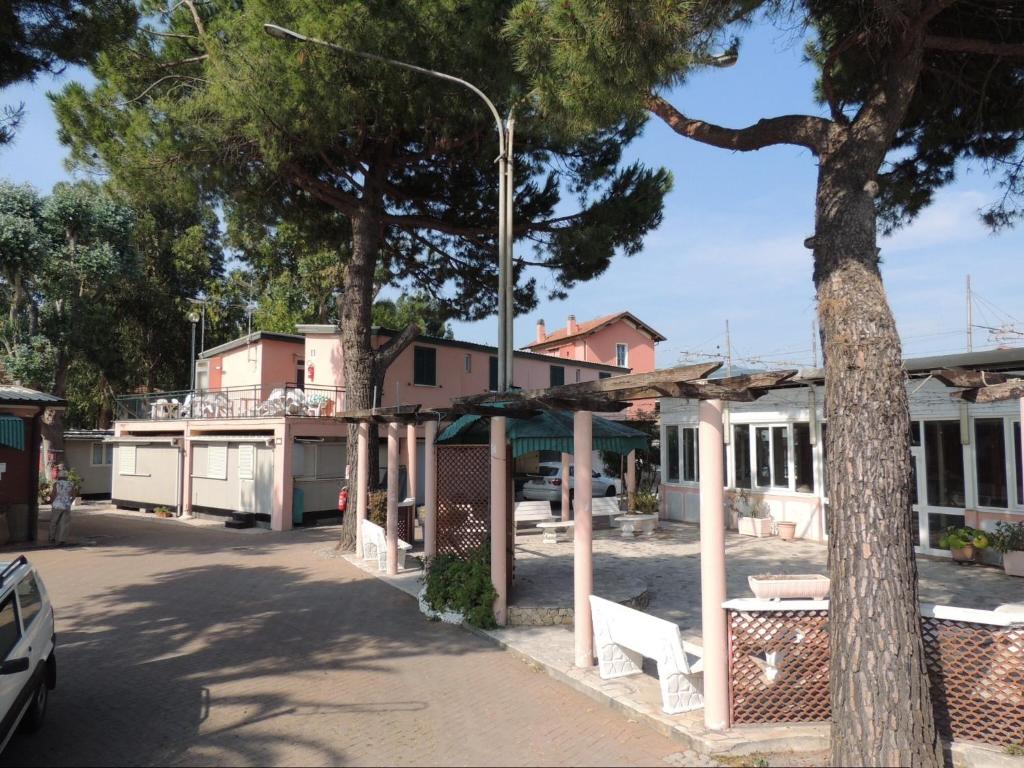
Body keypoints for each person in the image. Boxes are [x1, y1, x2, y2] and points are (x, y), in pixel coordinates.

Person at [48, 466, 75, 546]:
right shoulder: (71, 484)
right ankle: (62, 539)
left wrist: (52, 502)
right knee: (64, 523)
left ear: (59, 477)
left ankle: (52, 538)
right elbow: (73, 496)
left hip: (57, 505)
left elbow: (53, 494)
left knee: (54, 522)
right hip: (66, 506)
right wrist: (69, 502)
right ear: (66, 477)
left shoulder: (56, 484)